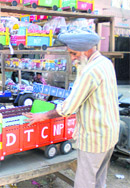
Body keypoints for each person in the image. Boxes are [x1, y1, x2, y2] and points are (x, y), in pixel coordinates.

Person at [24, 28, 120, 188]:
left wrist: (42, 116)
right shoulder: (106, 63)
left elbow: (68, 108)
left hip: (95, 138)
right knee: (99, 180)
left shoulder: (89, 71)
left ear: (86, 50)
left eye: (74, 54)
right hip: (110, 134)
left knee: (85, 182)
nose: (73, 59)